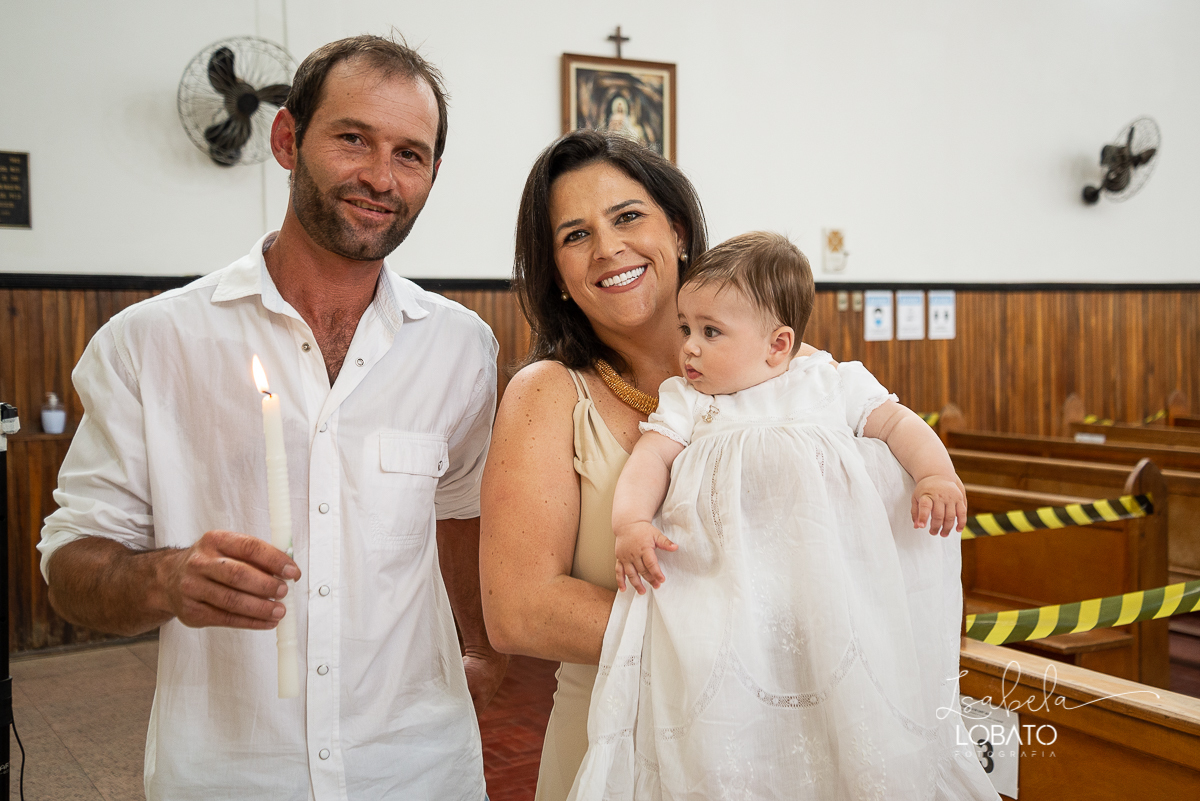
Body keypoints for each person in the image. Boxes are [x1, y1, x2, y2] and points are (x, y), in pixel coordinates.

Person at [38, 35, 506, 801]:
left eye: (409, 154)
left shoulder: (461, 349)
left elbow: (458, 512)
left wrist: (480, 646)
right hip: (230, 770)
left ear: (432, 173)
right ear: (287, 139)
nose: (380, 177)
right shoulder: (152, 344)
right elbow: (69, 568)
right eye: (353, 138)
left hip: (418, 765)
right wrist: (166, 577)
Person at [568, 232, 998, 800]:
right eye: (685, 329)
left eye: (711, 332)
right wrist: (631, 523)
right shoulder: (690, 401)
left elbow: (898, 424)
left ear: (778, 344)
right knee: (733, 720)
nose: (689, 348)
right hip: (727, 593)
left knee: (839, 714)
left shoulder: (831, 384)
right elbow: (650, 461)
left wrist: (936, 475)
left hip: (823, 595)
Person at [479, 131, 821, 801]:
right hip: (614, 738)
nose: (608, 248)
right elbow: (519, 609)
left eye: (628, 216)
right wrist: (727, 635)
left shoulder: (791, 371)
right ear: (556, 274)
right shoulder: (547, 394)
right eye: (575, 235)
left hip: (775, 735)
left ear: (681, 229)